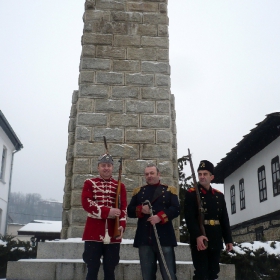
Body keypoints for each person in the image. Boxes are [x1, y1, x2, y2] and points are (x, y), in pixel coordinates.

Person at [127, 163, 180, 280]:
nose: (149, 176)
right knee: (147, 276)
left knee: (169, 274)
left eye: (152, 173)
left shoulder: (169, 191)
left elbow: (176, 209)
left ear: (158, 174)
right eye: (147, 174)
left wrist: (160, 217)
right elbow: (130, 211)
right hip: (145, 238)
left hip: (164, 238)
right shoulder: (139, 192)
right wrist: (141, 209)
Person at [184, 160, 233, 280]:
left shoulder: (219, 195)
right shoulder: (191, 194)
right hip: (200, 238)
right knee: (201, 273)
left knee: (213, 272)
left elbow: (224, 219)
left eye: (205, 174)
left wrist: (228, 239)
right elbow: (189, 218)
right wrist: (198, 236)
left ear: (212, 177)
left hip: (215, 237)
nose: (202, 177)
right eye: (200, 174)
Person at [81, 153, 127, 280]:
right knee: (92, 267)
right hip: (93, 233)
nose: (106, 168)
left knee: (110, 268)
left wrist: (122, 225)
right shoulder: (89, 183)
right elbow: (87, 203)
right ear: (98, 167)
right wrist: (108, 211)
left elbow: (123, 208)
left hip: (113, 232)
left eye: (108, 165)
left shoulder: (120, 186)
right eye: (103, 165)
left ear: (112, 167)